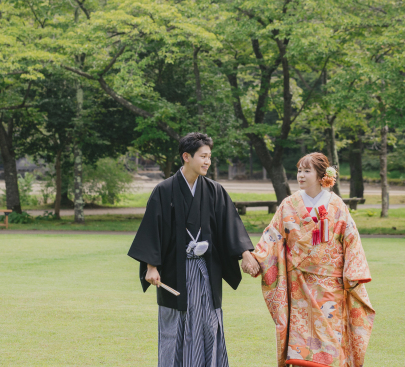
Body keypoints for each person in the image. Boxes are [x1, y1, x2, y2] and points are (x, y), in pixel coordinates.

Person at [128, 132, 258, 367]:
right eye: (203, 156)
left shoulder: (215, 191)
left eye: (209, 157)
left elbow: (231, 224)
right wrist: (151, 267)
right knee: (175, 324)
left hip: (206, 271)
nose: (208, 161)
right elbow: (152, 229)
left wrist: (246, 254)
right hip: (174, 272)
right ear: (186, 156)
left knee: (208, 322)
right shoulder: (164, 190)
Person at [246, 152, 375, 367]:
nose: (301, 175)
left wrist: (353, 274)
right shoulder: (289, 204)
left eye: (307, 171)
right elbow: (273, 236)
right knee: (300, 343)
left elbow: (351, 240)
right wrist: (255, 258)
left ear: (321, 175)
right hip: (298, 286)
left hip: (330, 288)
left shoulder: (337, 206)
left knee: (331, 342)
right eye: (299, 170)